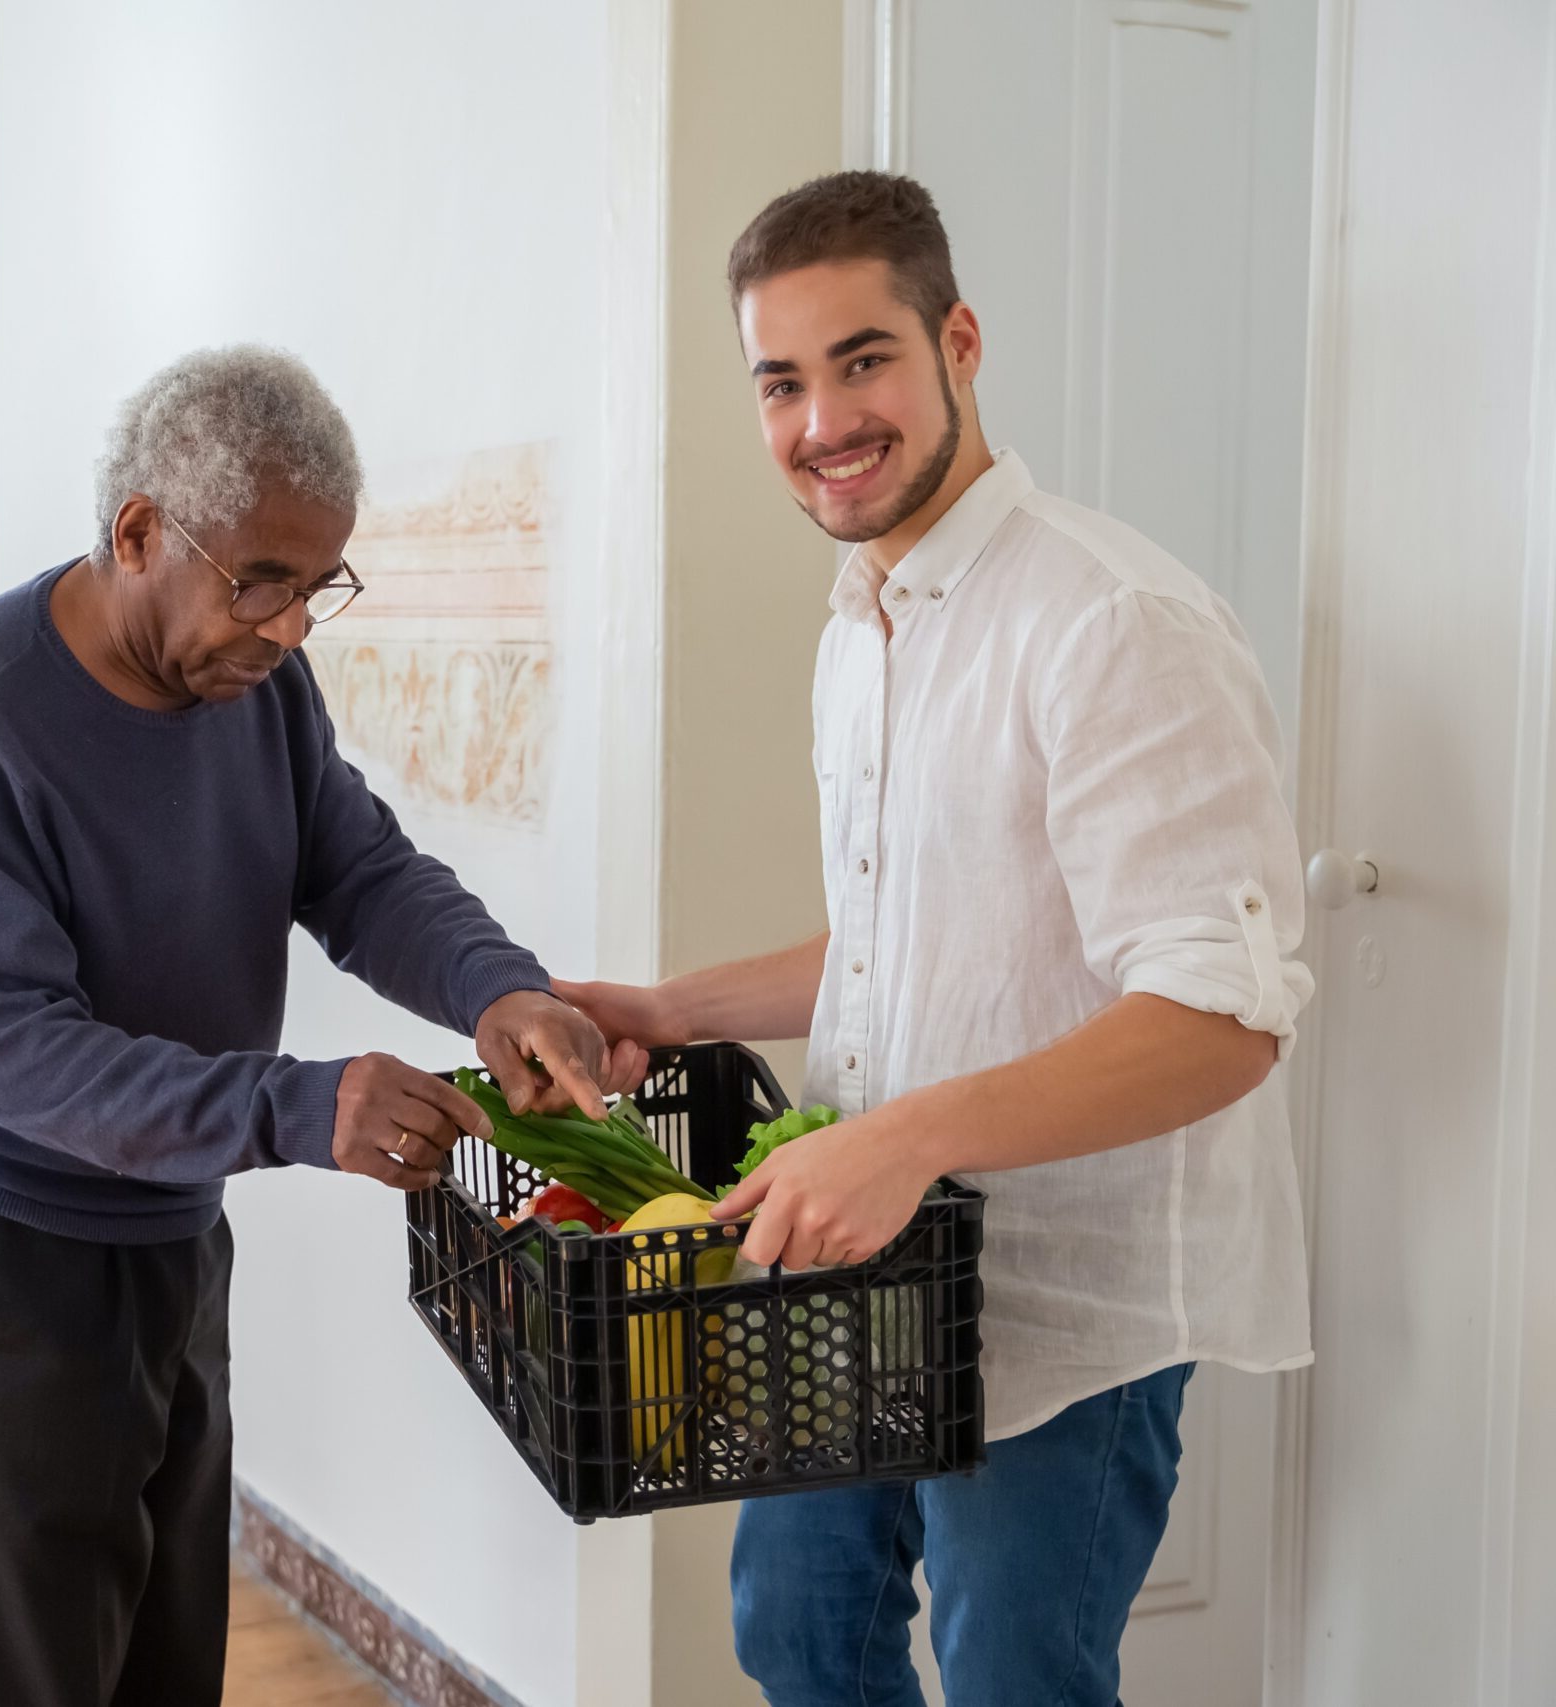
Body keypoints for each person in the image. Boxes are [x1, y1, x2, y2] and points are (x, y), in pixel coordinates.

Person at [560, 172, 1314, 1706]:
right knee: (799, 1628)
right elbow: (910, 934)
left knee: (1017, 1677)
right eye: (783, 381)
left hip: (1062, 1301)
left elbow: (1222, 1018)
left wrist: (902, 1138)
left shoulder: (1111, 624)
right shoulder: (866, 621)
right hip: (865, 1262)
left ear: (958, 343)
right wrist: (674, 1001)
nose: (824, 419)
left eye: (864, 360)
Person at [0, 345, 642, 1706]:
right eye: (259, 582)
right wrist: (298, 1103)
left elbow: (357, 869)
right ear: (139, 531)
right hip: (0, 1237)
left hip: (166, 1210)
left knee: (167, 1647)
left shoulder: (259, 687)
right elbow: (13, 1048)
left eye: (315, 586)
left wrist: (500, 989)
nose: (285, 628)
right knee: (30, 1668)